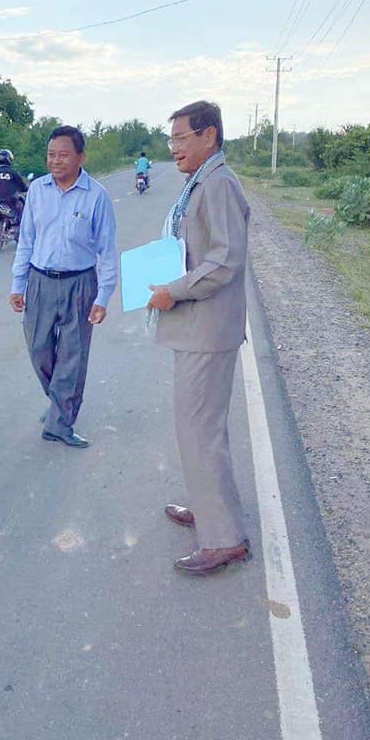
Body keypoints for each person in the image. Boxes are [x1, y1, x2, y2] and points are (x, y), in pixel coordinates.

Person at [146, 101, 250, 576]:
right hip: (198, 327)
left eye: (180, 138)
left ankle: (223, 539)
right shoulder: (202, 181)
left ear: (208, 136)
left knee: (199, 430)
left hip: (208, 328)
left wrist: (173, 290)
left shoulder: (219, 184)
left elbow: (225, 260)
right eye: (170, 139)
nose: (174, 148)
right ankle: (210, 508)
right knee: (201, 428)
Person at [9, 125, 117, 449]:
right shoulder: (37, 191)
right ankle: (59, 403)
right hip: (40, 281)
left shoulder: (97, 196)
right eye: (51, 155)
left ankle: (60, 423)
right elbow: (26, 240)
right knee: (38, 349)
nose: (55, 161)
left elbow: (107, 251)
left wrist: (103, 297)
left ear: (81, 157)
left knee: (73, 356)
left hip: (80, 285)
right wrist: (18, 284)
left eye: (63, 155)